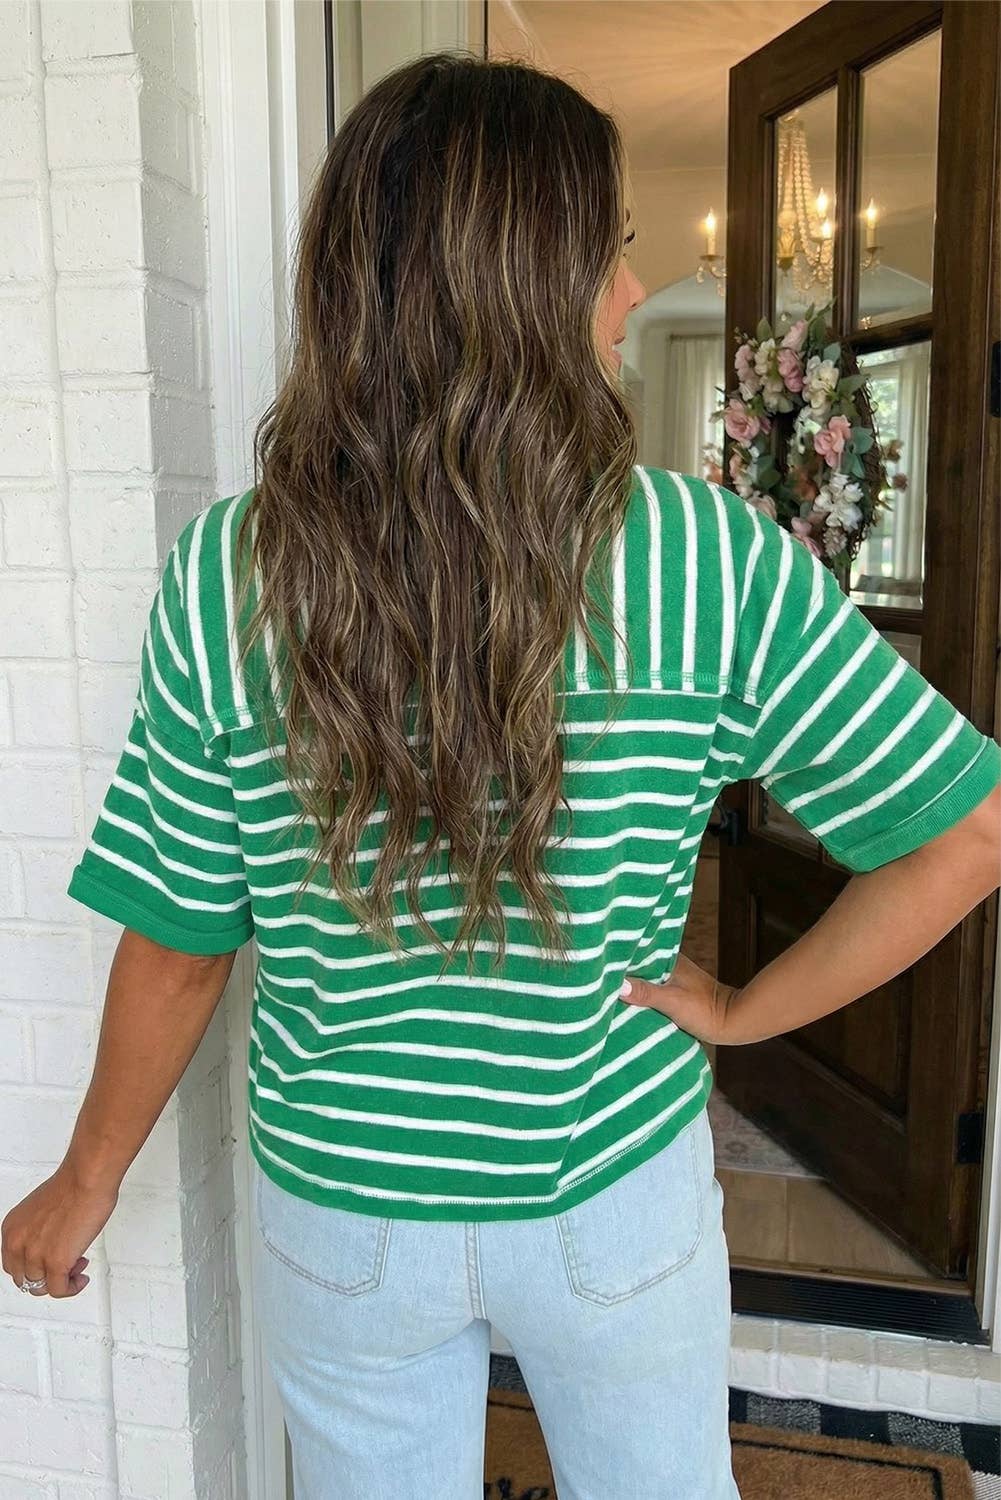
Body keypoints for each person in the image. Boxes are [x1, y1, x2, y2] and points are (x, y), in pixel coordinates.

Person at [3, 51, 999, 1500]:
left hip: (345, 1210)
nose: (628, 294)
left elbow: (179, 942)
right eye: (610, 254)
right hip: (608, 1188)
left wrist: (84, 1179)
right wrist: (740, 1013)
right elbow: (968, 833)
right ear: (526, 285)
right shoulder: (707, 561)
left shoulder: (231, 573)